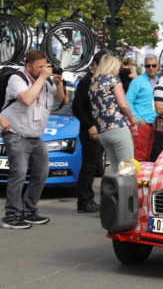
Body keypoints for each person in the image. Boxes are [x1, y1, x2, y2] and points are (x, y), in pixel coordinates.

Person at [1, 49, 65, 229]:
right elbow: (27, 99)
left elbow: (62, 99)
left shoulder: (44, 80)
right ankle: (11, 215)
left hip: (36, 136)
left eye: (46, 66)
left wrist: (58, 83)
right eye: (40, 67)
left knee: (41, 173)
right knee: (19, 172)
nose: (44, 70)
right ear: (28, 66)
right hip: (15, 133)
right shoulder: (17, 79)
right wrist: (43, 78)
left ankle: (29, 211)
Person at [72, 50, 108, 213]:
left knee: (93, 165)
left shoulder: (97, 81)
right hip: (89, 129)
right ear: (95, 64)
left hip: (98, 128)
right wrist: (89, 125)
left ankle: (89, 199)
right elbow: (77, 106)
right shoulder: (86, 81)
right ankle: (83, 201)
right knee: (88, 165)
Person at [89, 54, 138, 174]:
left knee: (115, 167)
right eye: (117, 67)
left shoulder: (94, 83)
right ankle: (125, 193)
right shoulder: (114, 80)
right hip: (117, 127)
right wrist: (132, 118)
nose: (119, 70)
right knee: (128, 168)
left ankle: (109, 193)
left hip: (102, 132)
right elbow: (123, 104)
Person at [125, 54, 159, 162]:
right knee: (140, 156)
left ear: (158, 66)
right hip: (143, 124)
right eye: (148, 66)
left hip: (157, 124)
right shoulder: (137, 81)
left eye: (153, 65)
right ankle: (138, 179)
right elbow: (128, 100)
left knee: (152, 156)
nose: (151, 68)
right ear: (144, 66)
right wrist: (137, 118)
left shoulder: (160, 81)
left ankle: (147, 179)